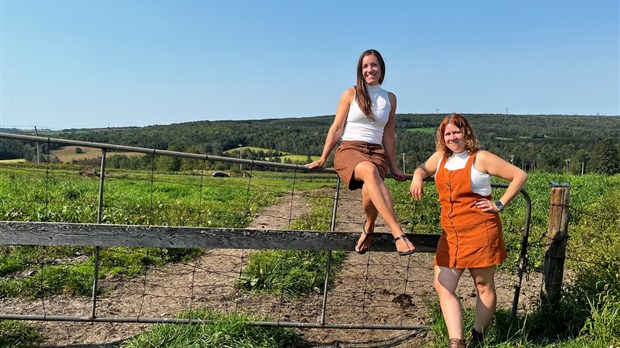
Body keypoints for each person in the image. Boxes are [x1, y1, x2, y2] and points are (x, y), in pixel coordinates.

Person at [410, 113, 528, 348]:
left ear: (466, 134)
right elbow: (423, 168)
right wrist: (417, 175)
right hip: (451, 234)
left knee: (483, 286)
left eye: (456, 132)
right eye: (448, 133)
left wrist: (499, 204)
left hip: (481, 231)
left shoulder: (480, 158)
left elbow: (519, 175)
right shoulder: (440, 158)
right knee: (443, 286)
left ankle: (477, 337)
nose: (452, 137)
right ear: (442, 137)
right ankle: (457, 342)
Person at [306, 49, 415, 256]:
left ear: (381, 69)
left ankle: (369, 226)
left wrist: (393, 166)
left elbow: (389, 135)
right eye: (365, 66)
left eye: (373, 65)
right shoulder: (351, 93)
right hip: (350, 149)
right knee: (368, 170)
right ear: (360, 70)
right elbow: (337, 128)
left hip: (377, 152)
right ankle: (398, 233)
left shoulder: (390, 98)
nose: (369, 70)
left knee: (369, 188)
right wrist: (323, 157)